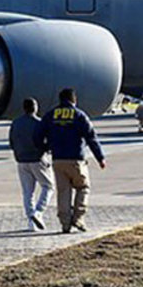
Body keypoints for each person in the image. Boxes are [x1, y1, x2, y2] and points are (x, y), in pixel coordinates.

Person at [37, 88, 106, 234]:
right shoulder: (79, 115)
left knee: (63, 192)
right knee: (83, 187)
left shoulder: (51, 115)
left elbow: (37, 135)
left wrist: (46, 148)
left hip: (58, 160)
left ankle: (65, 224)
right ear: (74, 100)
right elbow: (91, 138)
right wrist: (100, 157)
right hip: (76, 160)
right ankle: (78, 218)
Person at [9, 98, 54, 231]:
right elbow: (47, 141)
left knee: (28, 192)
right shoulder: (39, 123)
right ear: (35, 108)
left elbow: (12, 141)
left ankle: (31, 221)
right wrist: (46, 150)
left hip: (21, 159)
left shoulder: (16, 123)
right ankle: (38, 211)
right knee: (48, 186)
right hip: (37, 158)